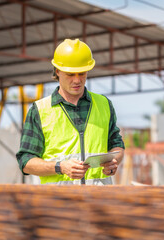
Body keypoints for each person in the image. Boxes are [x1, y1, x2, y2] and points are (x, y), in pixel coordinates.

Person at [16, 39, 125, 185]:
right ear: (57, 71)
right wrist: (60, 167)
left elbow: (117, 145)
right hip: (59, 203)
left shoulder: (104, 104)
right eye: (70, 74)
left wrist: (113, 162)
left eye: (82, 73)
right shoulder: (40, 110)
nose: (77, 80)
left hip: (99, 200)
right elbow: (26, 161)